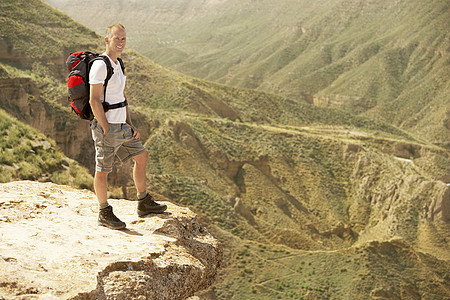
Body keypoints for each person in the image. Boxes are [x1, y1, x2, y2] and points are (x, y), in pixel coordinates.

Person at [89, 23, 166, 230]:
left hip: (122, 125)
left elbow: (121, 97)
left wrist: (130, 124)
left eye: (123, 39)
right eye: (117, 39)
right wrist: (106, 128)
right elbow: (94, 100)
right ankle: (104, 212)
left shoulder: (118, 64)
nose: (121, 43)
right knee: (103, 169)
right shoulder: (100, 65)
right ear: (107, 40)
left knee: (142, 156)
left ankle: (143, 202)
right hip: (107, 127)